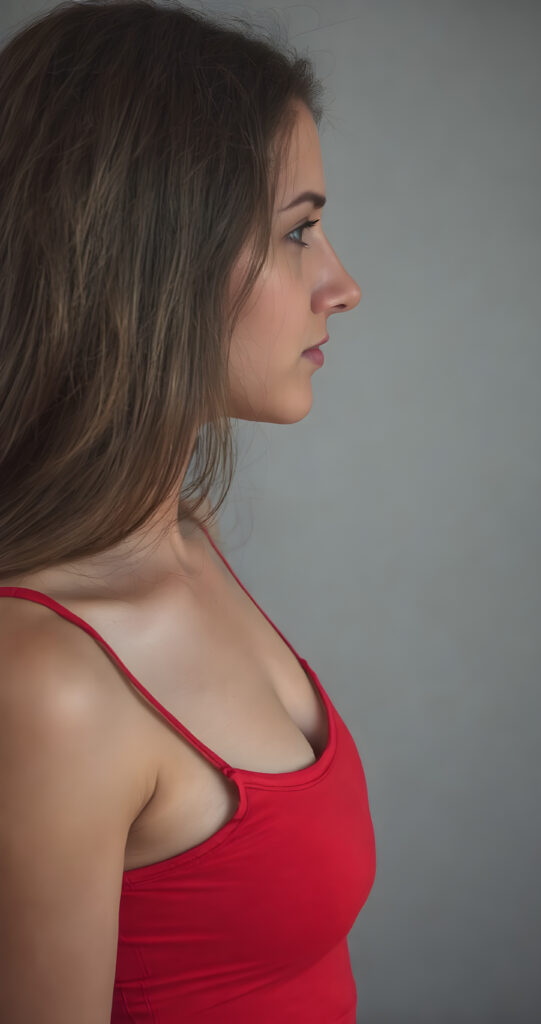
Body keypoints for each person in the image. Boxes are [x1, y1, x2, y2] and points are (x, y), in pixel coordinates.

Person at [0, 1, 376, 1021]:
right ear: (154, 252)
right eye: (299, 229)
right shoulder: (46, 684)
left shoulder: (184, 537)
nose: (341, 283)